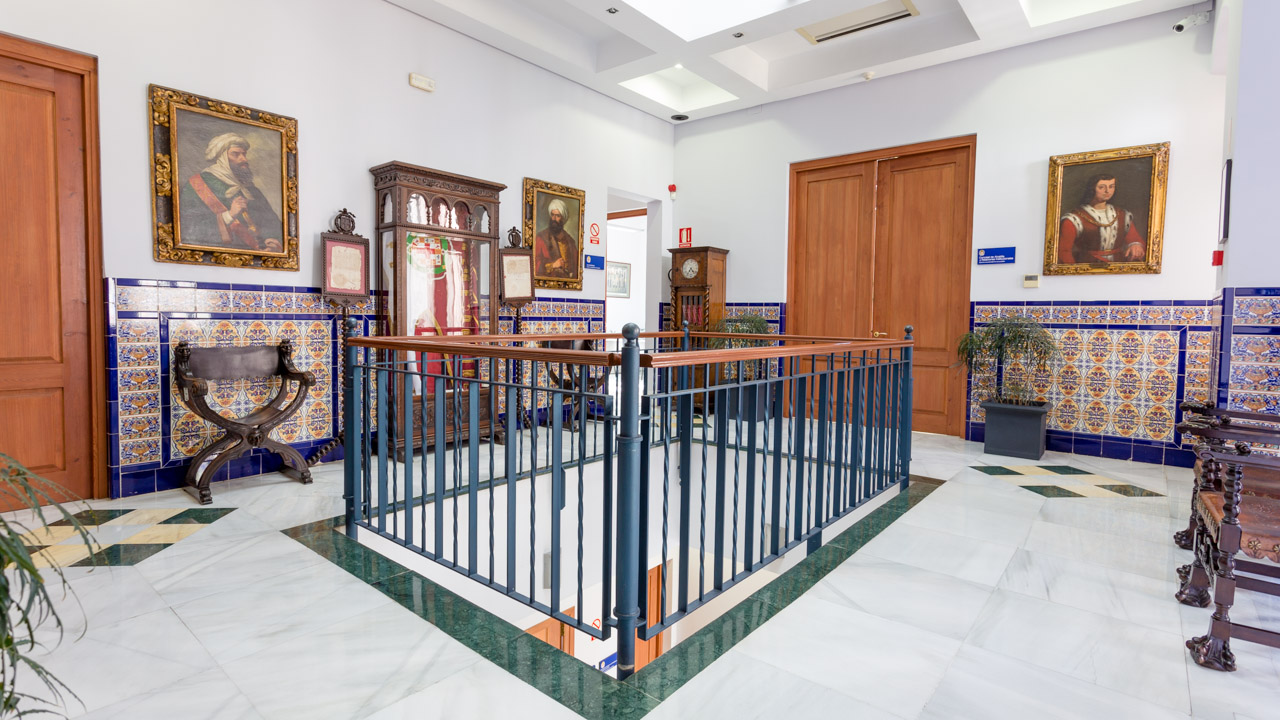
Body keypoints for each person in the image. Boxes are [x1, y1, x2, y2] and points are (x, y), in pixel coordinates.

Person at [179, 133, 283, 252]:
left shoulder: (251, 190)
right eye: (235, 154)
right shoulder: (198, 184)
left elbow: (273, 224)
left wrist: (273, 242)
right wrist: (229, 215)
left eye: (244, 154)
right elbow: (189, 228)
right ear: (222, 158)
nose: (244, 159)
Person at [1057, 174, 1145, 264]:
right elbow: (1063, 251)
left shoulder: (1122, 214)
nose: (1107, 191)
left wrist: (1135, 245)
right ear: (1092, 189)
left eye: (1111, 187)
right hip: (1087, 265)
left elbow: (1134, 238)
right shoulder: (1074, 218)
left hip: (1119, 264)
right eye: (1101, 187)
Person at [534, 198, 577, 278]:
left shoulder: (570, 241)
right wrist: (553, 265)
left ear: (563, 218)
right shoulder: (541, 238)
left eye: (557, 216)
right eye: (552, 215)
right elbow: (534, 263)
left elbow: (576, 267)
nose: (554, 219)